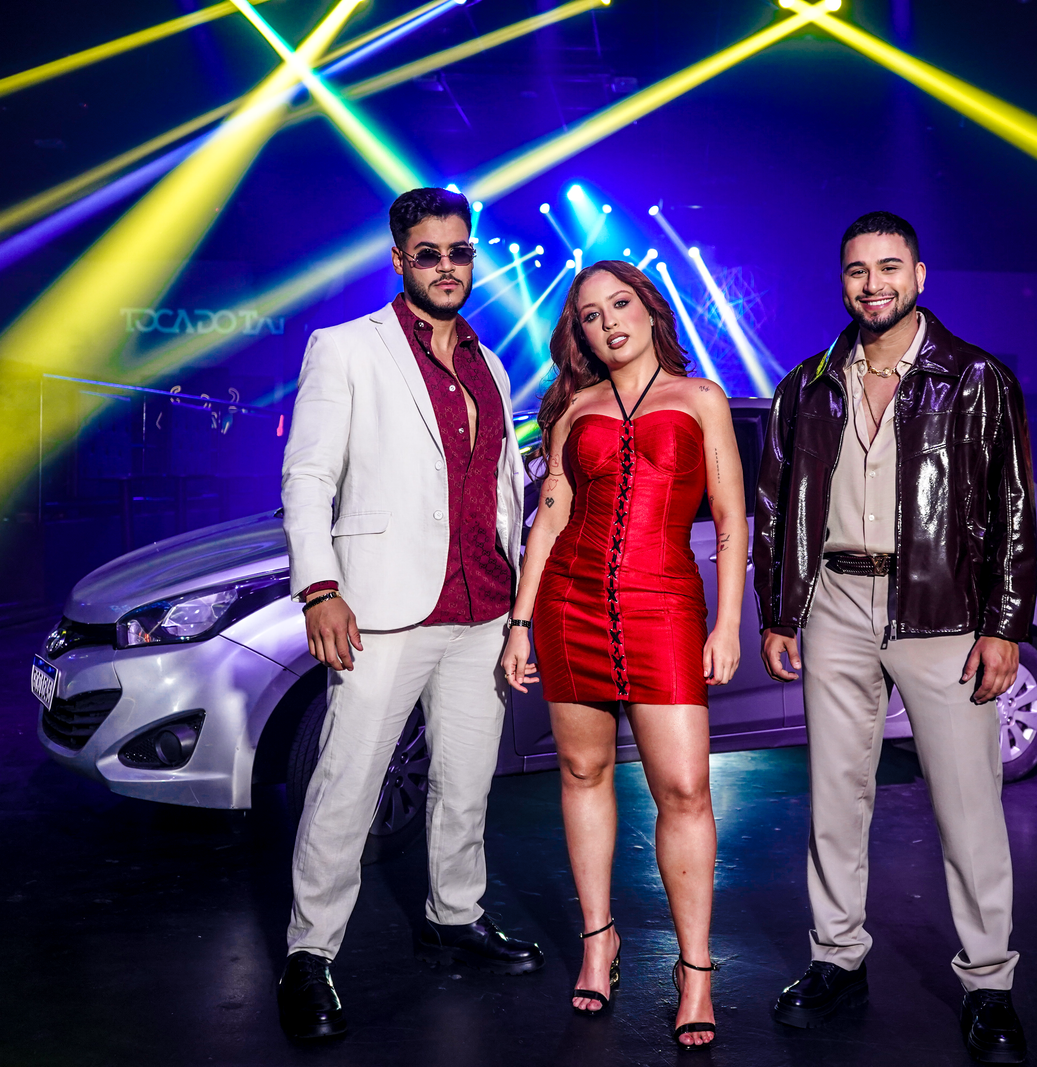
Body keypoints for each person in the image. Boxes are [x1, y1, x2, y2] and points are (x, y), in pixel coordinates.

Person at [753, 211, 1037, 1064]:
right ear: (842, 282)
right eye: (857, 270)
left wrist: (1004, 625)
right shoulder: (808, 384)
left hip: (941, 610)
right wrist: (779, 609)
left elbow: (1013, 507)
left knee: (968, 804)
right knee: (835, 798)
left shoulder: (976, 378)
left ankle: (988, 984)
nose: (872, 284)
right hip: (835, 603)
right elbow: (776, 505)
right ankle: (837, 959)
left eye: (888, 267)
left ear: (919, 275)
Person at [276, 188, 541, 1041]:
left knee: (465, 782)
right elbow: (308, 477)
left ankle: (453, 917)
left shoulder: (491, 364)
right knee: (347, 783)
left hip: (482, 603)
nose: (447, 267)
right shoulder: (347, 348)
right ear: (399, 260)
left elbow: (502, 487)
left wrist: (519, 602)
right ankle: (308, 953)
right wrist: (320, 588)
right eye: (429, 253)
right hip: (382, 607)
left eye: (460, 252)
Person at [500, 260, 748, 1049]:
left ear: (649, 309)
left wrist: (727, 624)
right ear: (579, 332)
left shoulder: (702, 398)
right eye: (590, 314)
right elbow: (549, 518)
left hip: (664, 605)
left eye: (620, 304)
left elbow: (731, 519)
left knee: (685, 788)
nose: (608, 322)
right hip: (569, 602)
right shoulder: (573, 409)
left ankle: (695, 967)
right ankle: (598, 939)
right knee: (582, 771)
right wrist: (520, 621)